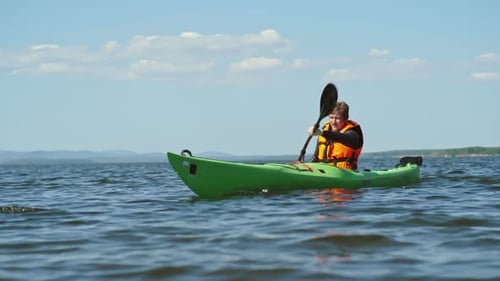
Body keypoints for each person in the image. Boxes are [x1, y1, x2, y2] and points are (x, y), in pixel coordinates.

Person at [307, 101, 363, 170]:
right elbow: (315, 158)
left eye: (337, 118)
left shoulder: (353, 133)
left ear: (346, 119)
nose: (333, 122)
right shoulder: (325, 131)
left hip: (345, 172)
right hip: (324, 171)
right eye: (331, 117)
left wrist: (322, 133)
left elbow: (341, 137)